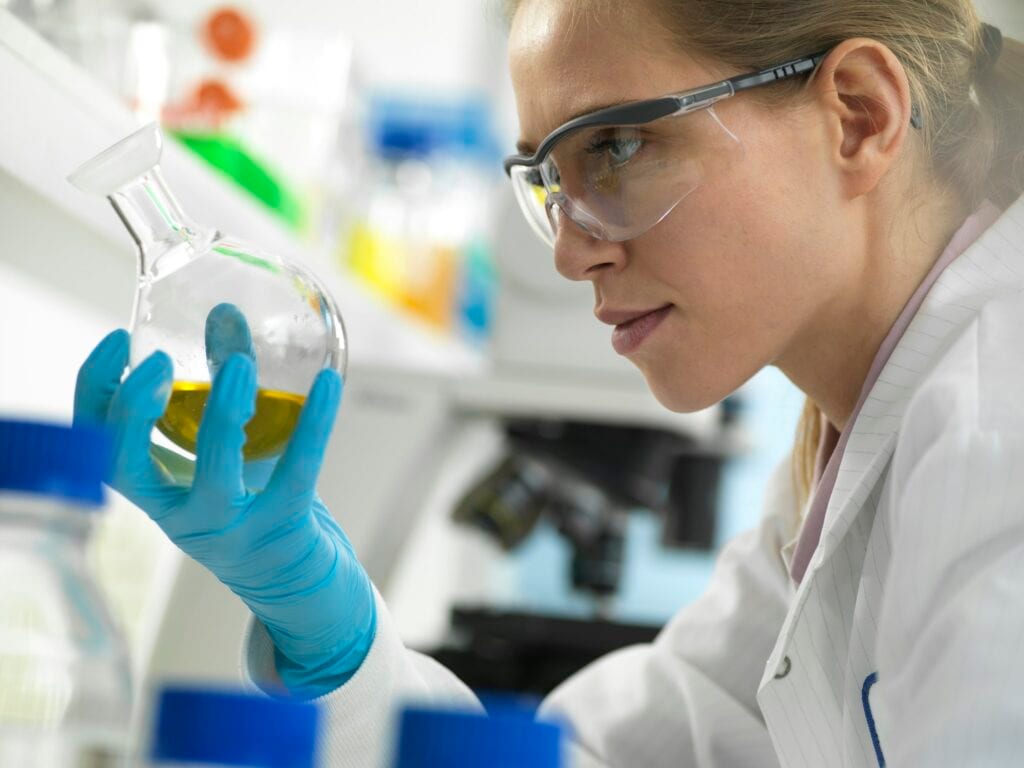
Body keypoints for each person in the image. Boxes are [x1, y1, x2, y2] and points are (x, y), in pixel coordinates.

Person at [73, 0, 1024, 765]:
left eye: (616, 148)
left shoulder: (997, 443)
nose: (570, 253)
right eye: (548, 183)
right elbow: (604, 754)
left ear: (858, 114)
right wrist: (340, 648)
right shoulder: (841, 460)